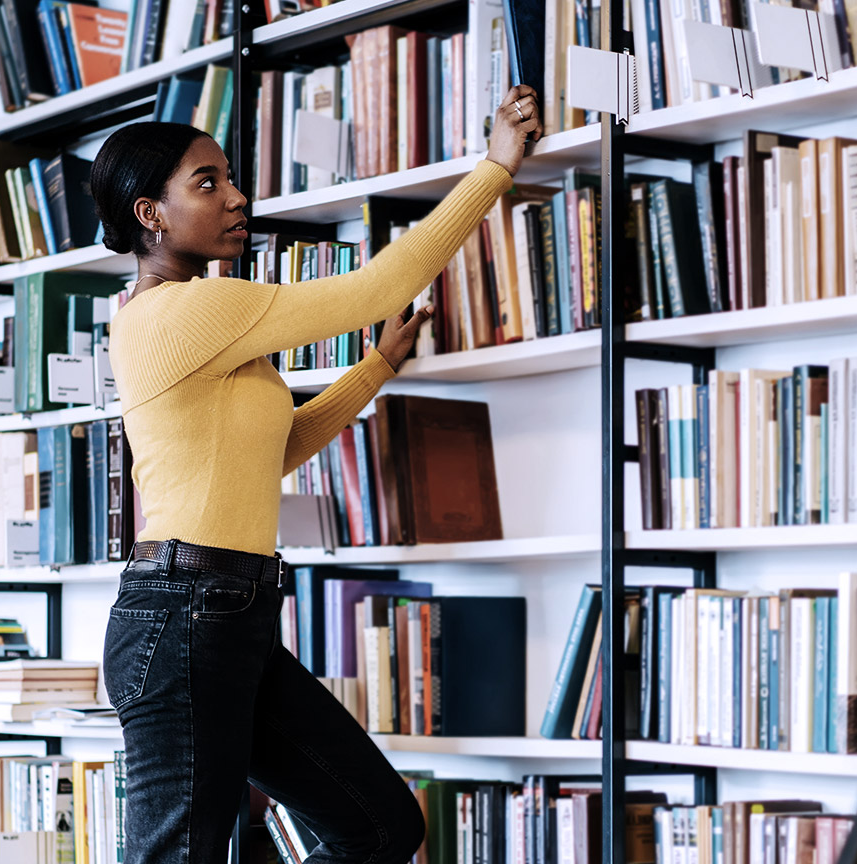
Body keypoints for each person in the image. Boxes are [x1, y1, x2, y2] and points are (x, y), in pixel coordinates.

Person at [90, 84, 542, 864]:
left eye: (231, 177)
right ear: (149, 215)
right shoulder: (186, 311)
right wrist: (495, 167)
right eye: (207, 183)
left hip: (232, 617)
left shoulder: (188, 317)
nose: (236, 197)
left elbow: (274, 451)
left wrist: (373, 370)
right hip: (186, 616)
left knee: (379, 828)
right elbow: (375, 288)